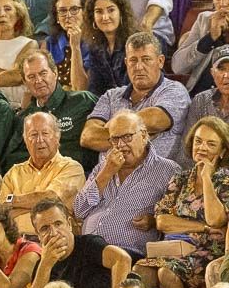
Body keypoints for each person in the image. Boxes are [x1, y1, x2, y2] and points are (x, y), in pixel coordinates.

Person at [135, 117, 229, 288]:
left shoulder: (225, 180)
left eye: (211, 144)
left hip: (207, 251)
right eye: (198, 141)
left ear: (222, 151)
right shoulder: (181, 178)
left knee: (166, 273)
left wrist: (207, 179)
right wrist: (203, 227)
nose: (202, 148)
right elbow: (161, 221)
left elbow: (216, 220)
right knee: (139, 270)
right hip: (174, 248)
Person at [75, 109, 180, 257]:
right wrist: (106, 172)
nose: (121, 145)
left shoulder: (168, 170)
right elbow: (80, 210)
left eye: (127, 137)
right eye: (115, 139)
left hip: (129, 254)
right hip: (88, 250)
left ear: (144, 135)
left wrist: (153, 221)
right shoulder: (103, 167)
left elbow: (177, 218)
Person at [81, 33, 191, 171]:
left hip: (154, 179)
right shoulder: (111, 95)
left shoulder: (174, 91)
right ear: (126, 63)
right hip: (107, 179)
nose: (139, 67)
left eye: (146, 59)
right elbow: (88, 137)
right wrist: (133, 133)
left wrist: (109, 128)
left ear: (160, 61)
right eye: (133, 60)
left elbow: (155, 120)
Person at [26, 197, 131, 288]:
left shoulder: (89, 244)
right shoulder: (42, 266)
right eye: (45, 229)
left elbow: (122, 259)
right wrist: (45, 266)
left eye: (58, 224)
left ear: (69, 224)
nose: (53, 233)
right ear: (38, 235)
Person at [0, 113, 86, 238]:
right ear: (25, 140)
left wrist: (13, 201)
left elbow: (51, 199)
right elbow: (1, 213)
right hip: (15, 242)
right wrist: (37, 204)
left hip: (53, 240)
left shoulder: (71, 168)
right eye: (33, 135)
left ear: (57, 137)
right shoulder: (14, 173)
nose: (39, 140)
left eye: (45, 133)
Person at [20, 52, 97, 174]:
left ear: (55, 73)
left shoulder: (83, 100)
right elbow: (12, 157)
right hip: (39, 180)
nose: (38, 80)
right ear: (25, 82)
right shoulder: (24, 118)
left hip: (82, 176)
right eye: (31, 77)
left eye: (43, 73)